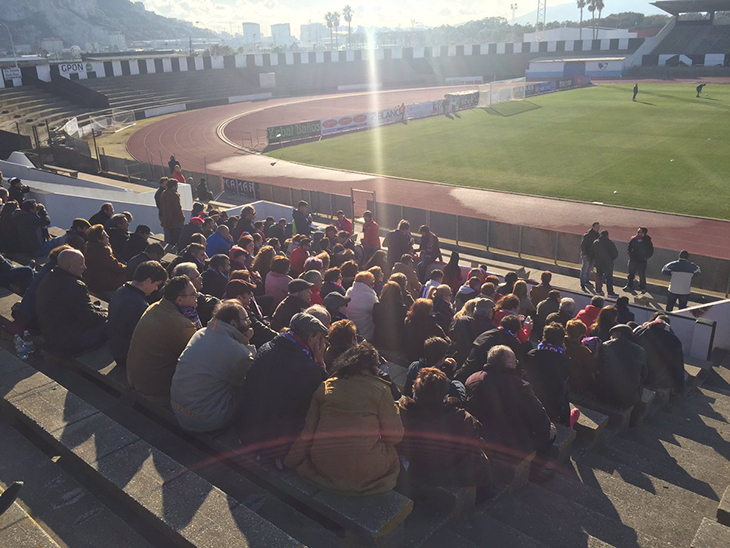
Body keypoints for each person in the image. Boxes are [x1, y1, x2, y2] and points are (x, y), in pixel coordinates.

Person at [284, 343, 403, 495]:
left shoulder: (326, 386)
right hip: (366, 470)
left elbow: (308, 433)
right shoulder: (381, 390)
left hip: (324, 466)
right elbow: (395, 437)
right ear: (374, 367)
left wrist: (290, 461)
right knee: (392, 454)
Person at [239, 313, 328, 458]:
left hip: (247, 429)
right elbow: (324, 393)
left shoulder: (267, 347)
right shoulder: (308, 368)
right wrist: (320, 362)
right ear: (310, 338)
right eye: (320, 338)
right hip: (273, 443)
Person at [465, 345, 555, 481]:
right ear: (507, 365)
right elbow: (540, 418)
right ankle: (537, 469)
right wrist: (548, 429)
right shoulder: (521, 387)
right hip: (511, 445)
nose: (517, 364)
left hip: (481, 437)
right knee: (549, 429)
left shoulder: (473, 379)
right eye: (515, 361)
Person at [399, 366, 492, 488]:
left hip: (417, 469)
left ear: (415, 392)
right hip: (448, 472)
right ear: (444, 394)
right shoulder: (464, 419)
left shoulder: (403, 414)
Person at [171, 301, 256, 432]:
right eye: (246, 319)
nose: (249, 322)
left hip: (178, 408)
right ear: (233, 323)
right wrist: (246, 343)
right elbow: (250, 378)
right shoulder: (238, 351)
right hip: (206, 419)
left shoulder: (200, 333)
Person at [126, 276, 199, 402]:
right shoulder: (182, 324)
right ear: (180, 300)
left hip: (135, 376)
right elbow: (198, 356)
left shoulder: (155, 306)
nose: (197, 296)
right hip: (154, 387)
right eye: (193, 294)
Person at [35, 249, 108, 356]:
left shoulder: (49, 277)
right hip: (70, 342)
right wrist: (106, 315)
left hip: (51, 333)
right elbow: (89, 317)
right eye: (81, 264)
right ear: (69, 267)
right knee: (113, 322)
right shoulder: (76, 286)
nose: (85, 267)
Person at [107, 261, 168, 368]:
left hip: (115, 348)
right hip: (127, 356)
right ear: (148, 281)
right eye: (156, 284)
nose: (156, 289)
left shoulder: (120, 290)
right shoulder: (140, 305)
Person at [593, 324, 648, 422]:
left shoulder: (606, 346)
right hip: (628, 399)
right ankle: (634, 419)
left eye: (612, 335)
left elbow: (597, 366)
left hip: (603, 394)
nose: (610, 338)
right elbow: (644, 375)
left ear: (618, 334)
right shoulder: (641, 351)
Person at [455, 315, 527, 384]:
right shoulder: (512, 343)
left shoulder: (485, 335)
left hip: (466, 374)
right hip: (489, 380)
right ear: (516, 332)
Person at [523, 323, 571, 426]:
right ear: (562, 340)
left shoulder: (532, 354)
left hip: (530, 398)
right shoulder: (564, 361)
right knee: (565, 387)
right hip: (552, 404)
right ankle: (565, 421)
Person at [633, 315, 684, 394]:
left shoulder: (642, 332)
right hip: (659, 379)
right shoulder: (673, 340)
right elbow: (678, 364)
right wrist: (679, 387)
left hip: (639, 375)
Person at [82, 225, 127, 296]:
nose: (108, 237)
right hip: (104, 284)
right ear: (99, 239)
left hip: (93, 281)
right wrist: (128, 268)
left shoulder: (89, 248)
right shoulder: (102, 251)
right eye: (106, 236)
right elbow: (115, 266)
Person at [449, 298, 494, 366]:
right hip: (479, 364)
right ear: (490, 312)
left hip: (458, 361)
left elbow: (452, 337)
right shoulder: (492, 330)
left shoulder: (463, 321)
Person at [404, 298, 447, 363]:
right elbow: (444, 338)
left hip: (411, 353)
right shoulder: (431, 324)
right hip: (425, 355)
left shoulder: (408, 320)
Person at [372, 281, 408, 355]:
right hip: (397, 343)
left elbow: (375, 321)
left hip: (379, 340)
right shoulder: (402, 308)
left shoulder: (377, 306)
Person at [564, 319, 596, 394]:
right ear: (580, 336)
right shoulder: (584, 351)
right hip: (578, 385)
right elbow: (592, 368)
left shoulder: (561, 344)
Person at [345, 271, 379, 341]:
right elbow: (378, 312)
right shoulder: (369, 296)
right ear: (366, 283)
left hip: (352, 330)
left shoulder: (349, 291)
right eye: (372, 283)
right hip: (365, 332)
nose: (374, 286)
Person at [624, 227, 653, 291]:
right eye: (638, 232)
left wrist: (645, 257)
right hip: (633, 260)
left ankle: (642, 287)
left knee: (641, 275)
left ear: (644, 233)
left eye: (641, 232)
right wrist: (630, 254)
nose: (639, 233)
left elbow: (650, 251)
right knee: (631, 274)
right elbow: (629, 247)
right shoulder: (634, 239)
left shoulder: (647, 241)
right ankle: (629, 285)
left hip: (641, 261)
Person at [593, 230, 618, 296]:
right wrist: (610, 259)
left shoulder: (596, 242)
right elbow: (615, 253)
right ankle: (610, 292)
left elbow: (593, 253)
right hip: (608, 263)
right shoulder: (610, 243)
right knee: (609, 278)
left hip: (598, 263)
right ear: (607, 235)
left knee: (598, 277)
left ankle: (598, 290)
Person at [160, 179, 185, 247]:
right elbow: (178, 208)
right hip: (175, 221)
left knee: (168, 238)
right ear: (174, 186)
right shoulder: (174, 195)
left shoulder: (163, 194)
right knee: (176, 239)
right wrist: (182, 218)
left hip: (166, 220)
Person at [580, 222, 600, 291]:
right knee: (584, 269)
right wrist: (585, 254)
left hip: (593, 255)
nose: (598, 228)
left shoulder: (598, 235)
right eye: (597, 227)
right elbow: (583, 245)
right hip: (587, 255)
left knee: (589, 269)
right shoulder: (587, 235)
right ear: (593, 227)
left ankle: (586, 281)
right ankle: (582, 283)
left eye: (598, 227)